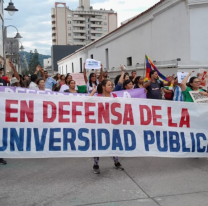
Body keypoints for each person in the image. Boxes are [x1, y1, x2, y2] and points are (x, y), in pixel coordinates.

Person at [89, 79, 124, 174]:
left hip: (112, 124)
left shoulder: (115, 96)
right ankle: (96, 164)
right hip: (100, 124)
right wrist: (93, 92)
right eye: (109, 85)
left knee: (113, 143)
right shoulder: (98, 96)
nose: (111, 86)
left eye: (111, 85)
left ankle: (116, 162)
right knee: (98, 144)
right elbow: (87, 101)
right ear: (103, 87)